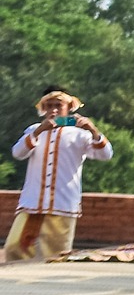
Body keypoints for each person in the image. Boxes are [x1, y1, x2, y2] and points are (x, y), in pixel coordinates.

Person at [7, 88, 114, 263]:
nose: (54, 110)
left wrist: (93, 130)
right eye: (49, 106)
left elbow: (106, 154)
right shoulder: (34, 130)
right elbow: (17, 153)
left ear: (69, 108)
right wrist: (39, 131)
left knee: (55, 254)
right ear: (44, 109)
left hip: (62, 203)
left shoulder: (80, 134)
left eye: (58, 105)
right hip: (33, 203)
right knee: (15, 247)